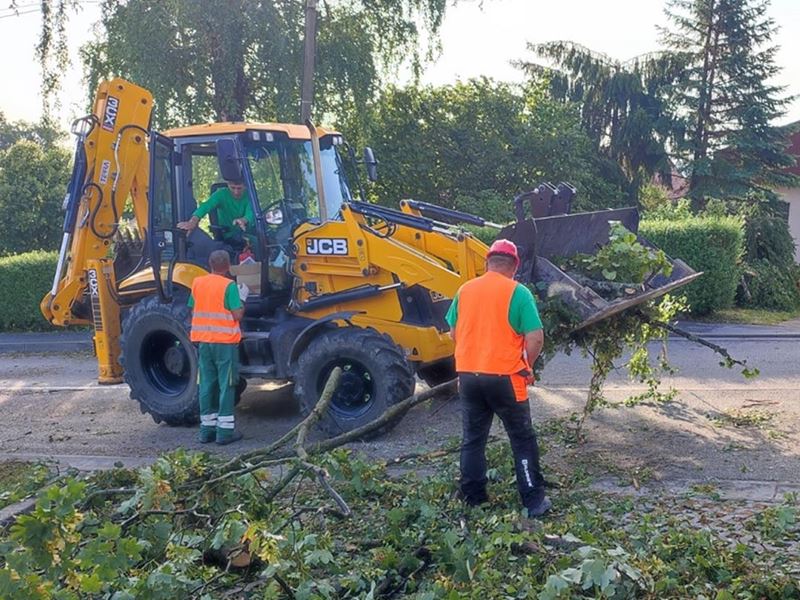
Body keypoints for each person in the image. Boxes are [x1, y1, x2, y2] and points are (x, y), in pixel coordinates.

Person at [445, 239, 551, 518]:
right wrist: (527, 364)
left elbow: (453, 332)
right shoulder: (518, 292)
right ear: (515, 266)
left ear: (486, 263)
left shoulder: (464, 290)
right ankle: (534, 501)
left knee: (473, 439)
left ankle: (474, 498)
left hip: (468, 377)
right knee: (522, 439)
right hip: (506, 379)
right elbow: (536, 337)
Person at [189, 250, 245, 445]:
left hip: (204, 342)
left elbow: (193, 306)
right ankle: (224, 433)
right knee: (226, 385)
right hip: (225, 343)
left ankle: (206, 431)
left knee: (206, 384)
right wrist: (243, 299)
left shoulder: (197, 283)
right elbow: (237, 315)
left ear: (209, 264)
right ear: (228, 266)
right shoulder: (229, 286)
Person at [177, 178, 255, 248]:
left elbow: (250, 212)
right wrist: (193, 222)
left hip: (246, 234)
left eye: (239, 188)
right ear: (228, 184)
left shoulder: (250, 195)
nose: (236, 192)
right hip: (227, 236)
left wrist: (243, 220)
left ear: (245, 186)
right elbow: (205, 207)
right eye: (233, 188)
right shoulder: (221, 194)